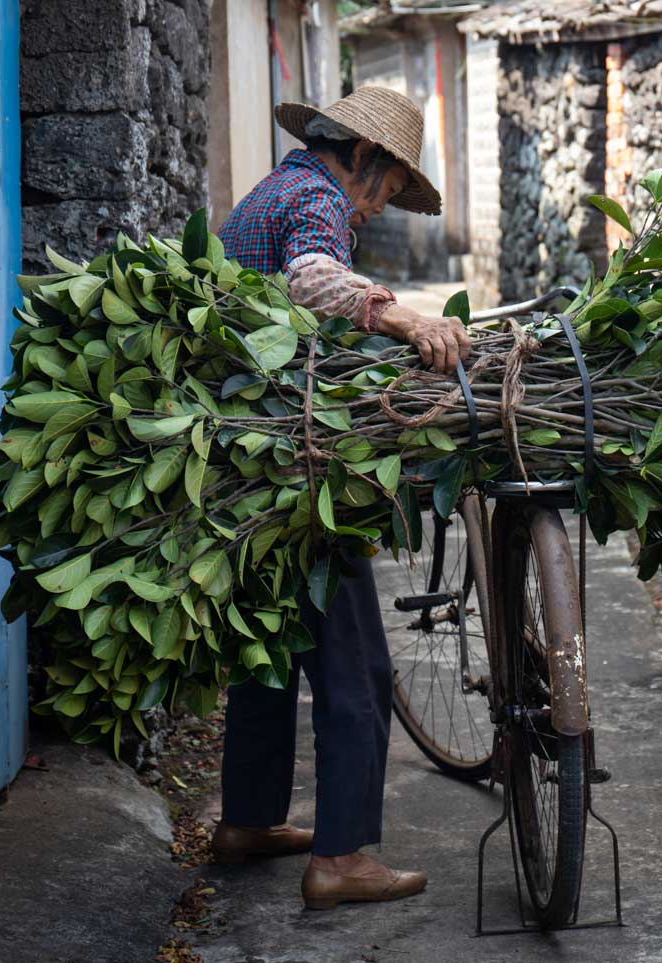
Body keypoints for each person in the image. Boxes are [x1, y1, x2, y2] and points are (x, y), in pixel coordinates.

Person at [207, 86, 471, 911]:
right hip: (291, 463)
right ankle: (343, 855)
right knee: (354, 654)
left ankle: (248, 819)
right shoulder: (317, 198)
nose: (382, 205)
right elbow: (313, 278)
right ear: (361, 155)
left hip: (247, 458)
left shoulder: (274, 189)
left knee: (272, 641)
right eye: (388, 186)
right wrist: (398, 318)